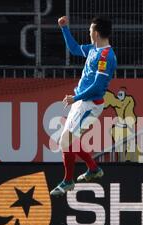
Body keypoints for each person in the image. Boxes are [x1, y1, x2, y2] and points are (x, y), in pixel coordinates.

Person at [50, 16, 117, 196]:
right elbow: (73, 49)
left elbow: (96, 86)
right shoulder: (94, 49)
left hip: (90, 105)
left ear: (95, 33)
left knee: (65, 141)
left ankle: (68, 181)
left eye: (89, 31)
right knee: (68, 140)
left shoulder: (106, 56)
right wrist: (64, 28)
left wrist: (75, 97)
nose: (88, 34)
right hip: (81, 103)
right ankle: (93, 169)